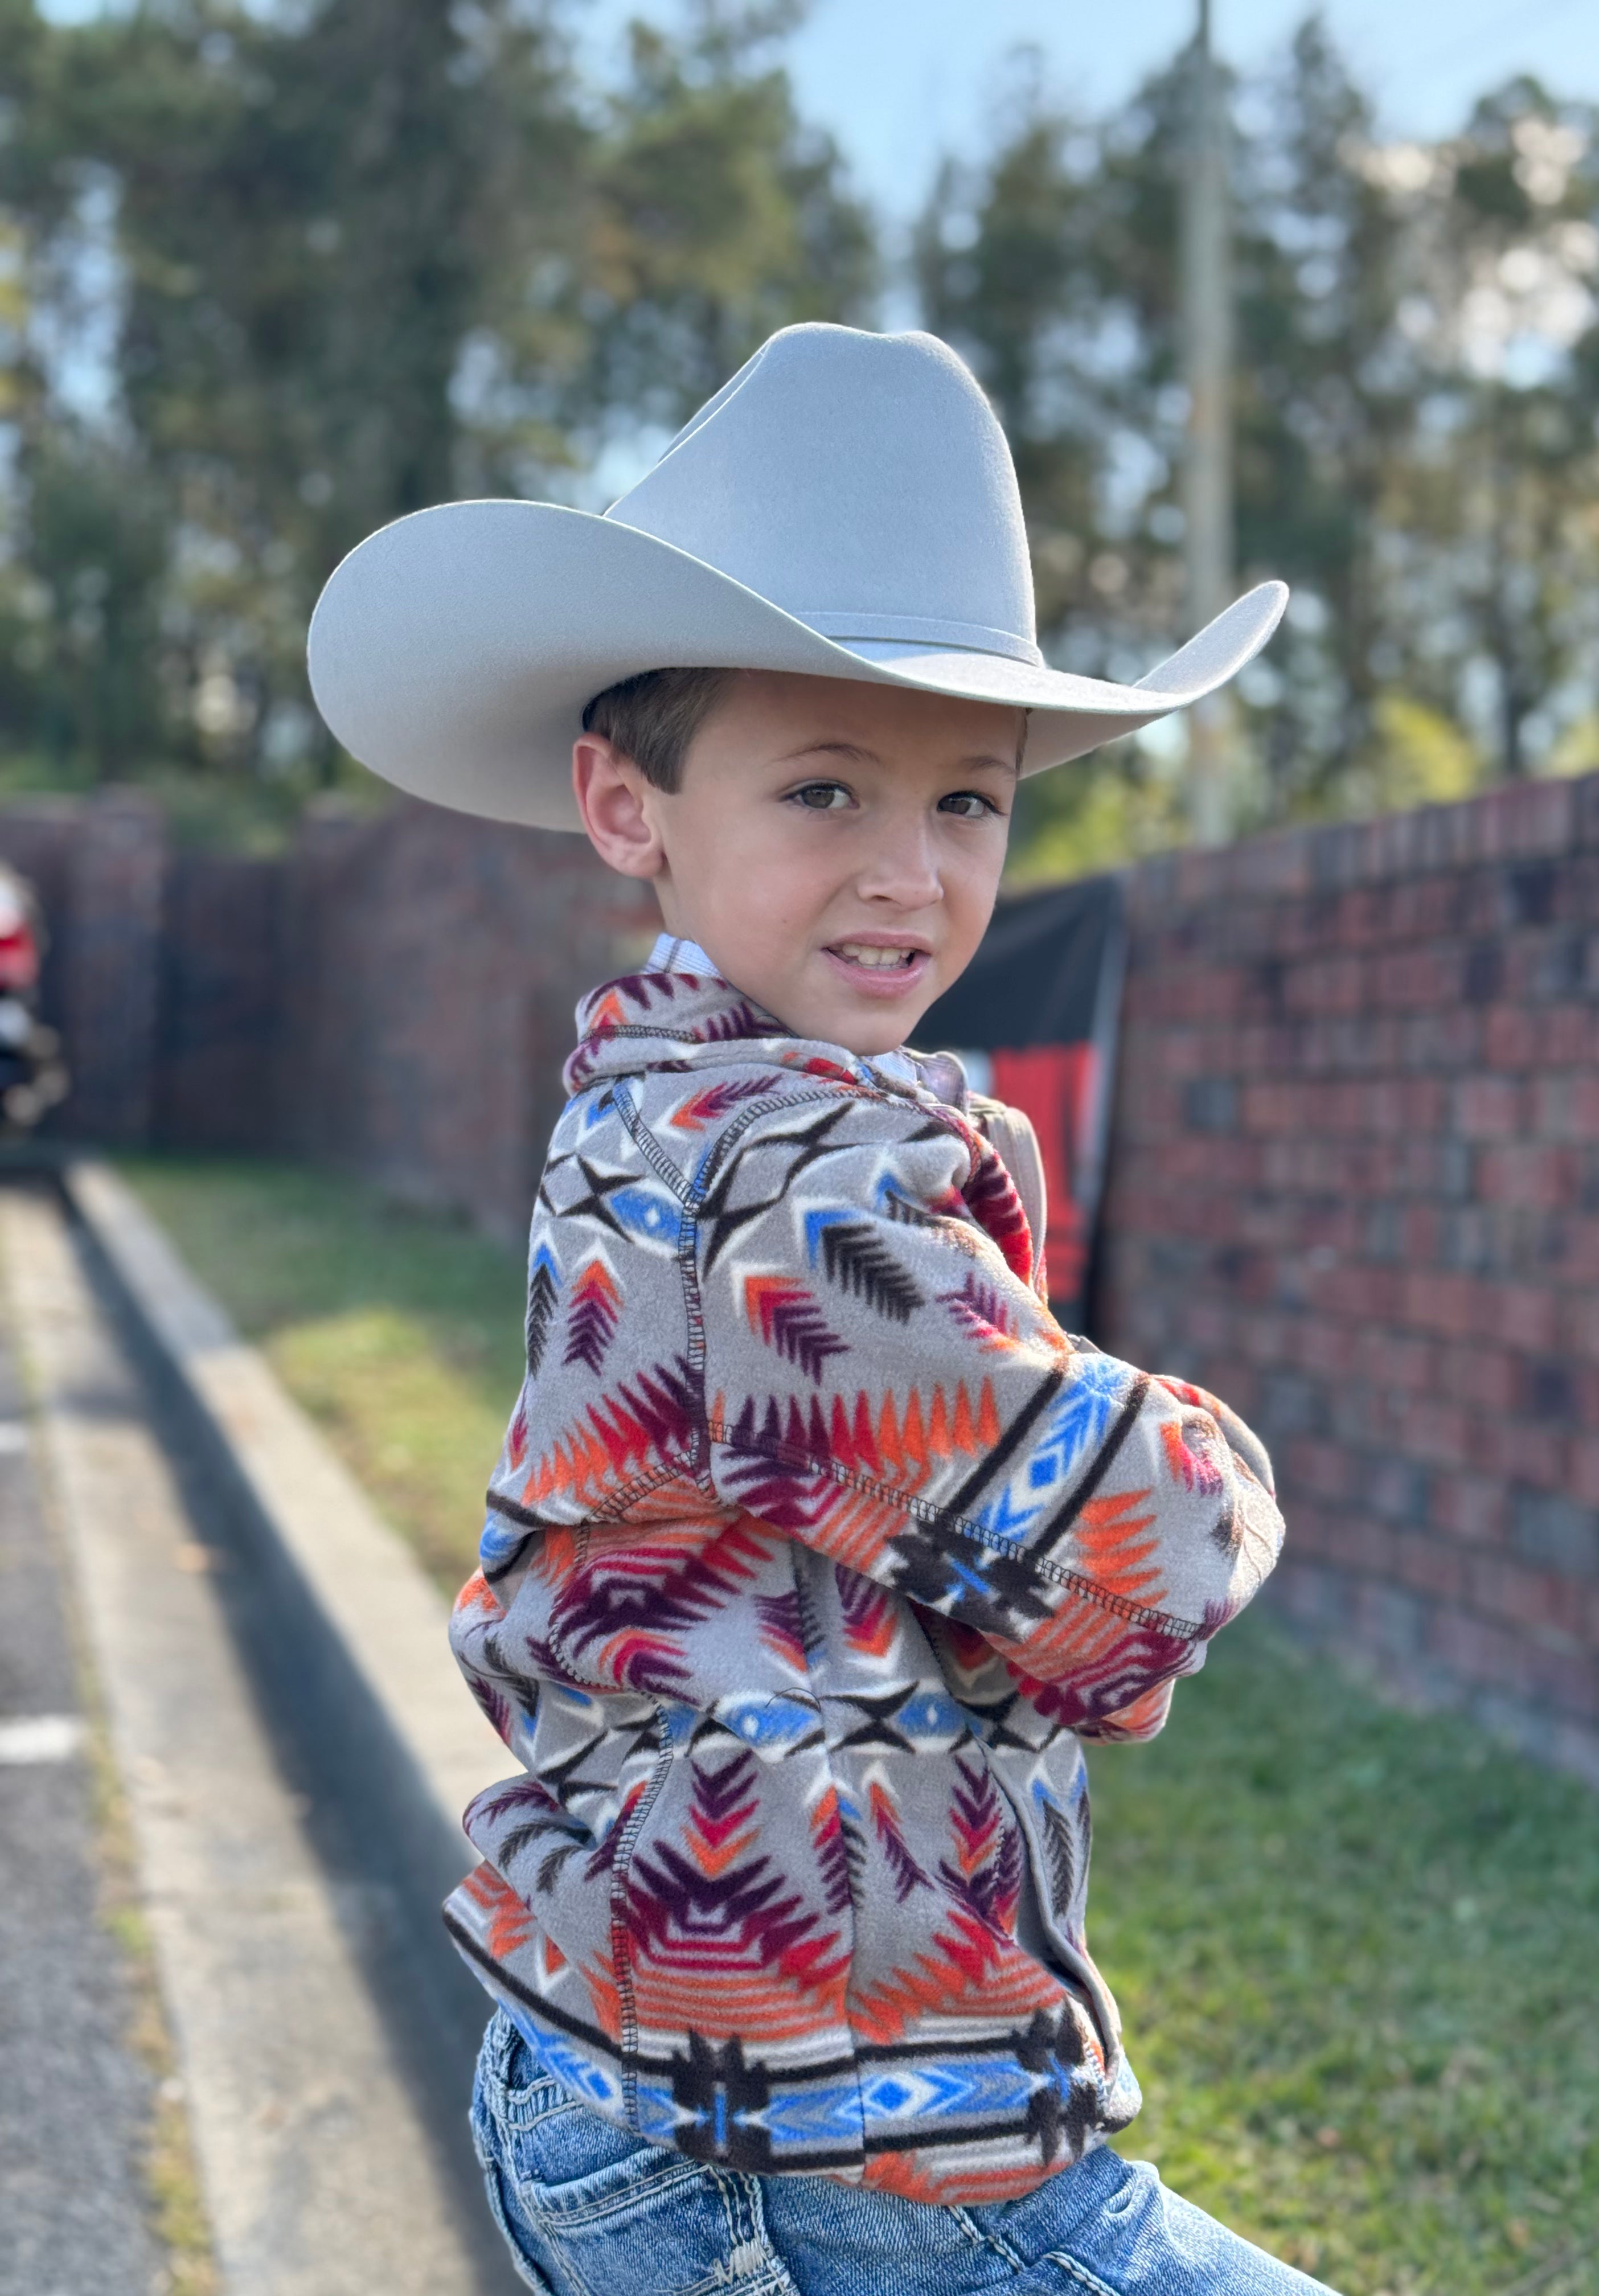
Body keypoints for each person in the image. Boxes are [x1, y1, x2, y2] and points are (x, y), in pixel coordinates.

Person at [309, 325, 1327, 2295]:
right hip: (807, 2143)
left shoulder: (660, 1103)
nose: (910, 872)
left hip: (674, 2071)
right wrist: (1200, 1470)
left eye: (970, 802)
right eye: (826, 788)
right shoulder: (798, 1178)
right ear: (629, 806)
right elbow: (1156, 1549)